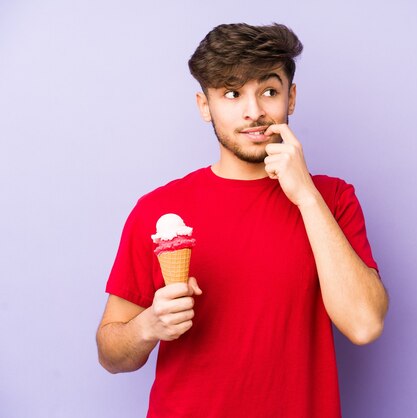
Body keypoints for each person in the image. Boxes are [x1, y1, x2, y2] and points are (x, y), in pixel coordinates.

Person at [96, 22, 389, 418]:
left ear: (292, 97)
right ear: (205, 106)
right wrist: (148, 326)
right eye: (232, 94)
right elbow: (111, 355)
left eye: (268, 91)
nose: (254, 112)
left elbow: (364, 324)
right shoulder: (158, 209)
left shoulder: (333, 199)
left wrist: (305, 195)